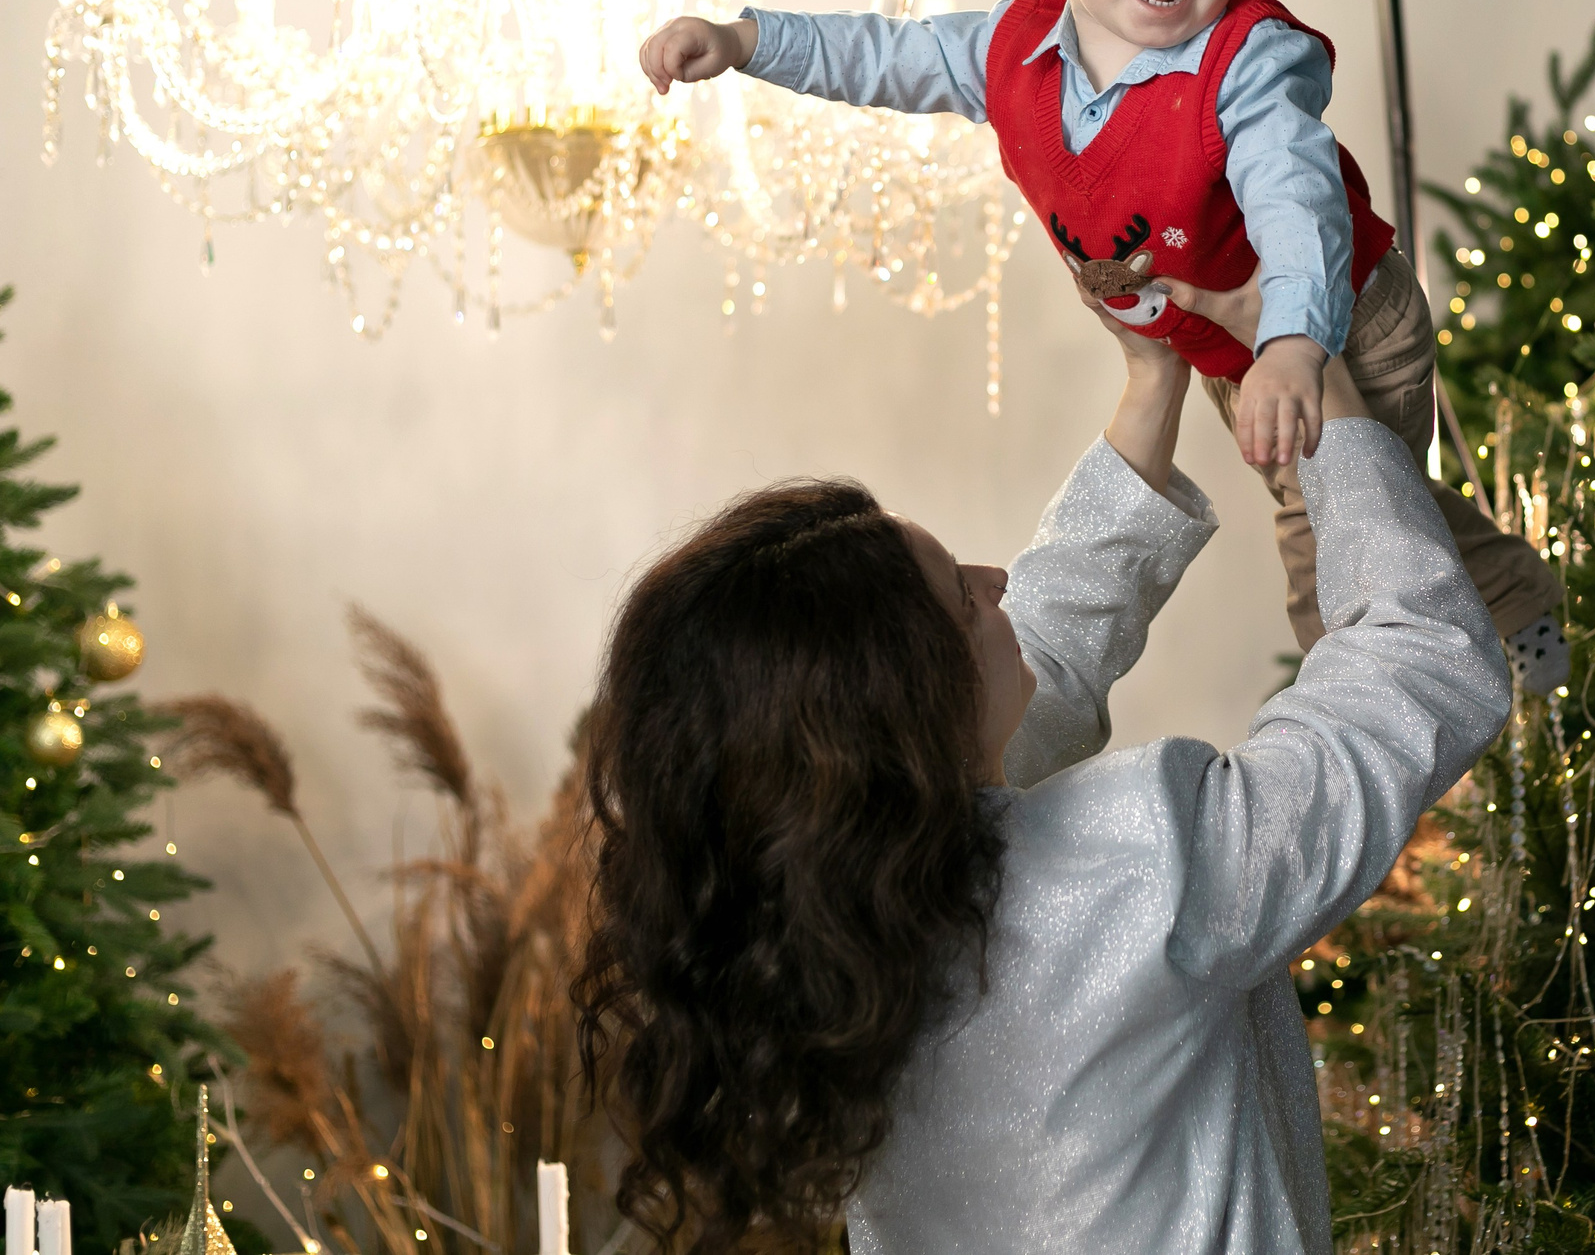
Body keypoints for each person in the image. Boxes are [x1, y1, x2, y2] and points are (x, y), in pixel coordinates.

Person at [575, 275, 1512, 1253]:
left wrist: (1152, 381)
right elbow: (1422, 656)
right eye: (959, 597)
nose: (998, 583)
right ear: (908, 710)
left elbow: (1036, 656)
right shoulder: (1147, 862)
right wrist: (1309, 368)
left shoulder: (839, 929)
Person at [637, 0, 1568, 692]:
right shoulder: (1010, 50)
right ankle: (1513, 592)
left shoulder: (1247, 62)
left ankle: (1354, 713)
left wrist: (1292, 344)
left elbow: (1299, 205)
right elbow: (887, 53)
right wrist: (745, 44)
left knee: (1327, 529)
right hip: (1222, 343)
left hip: (1339, 321)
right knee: (1384, 502)